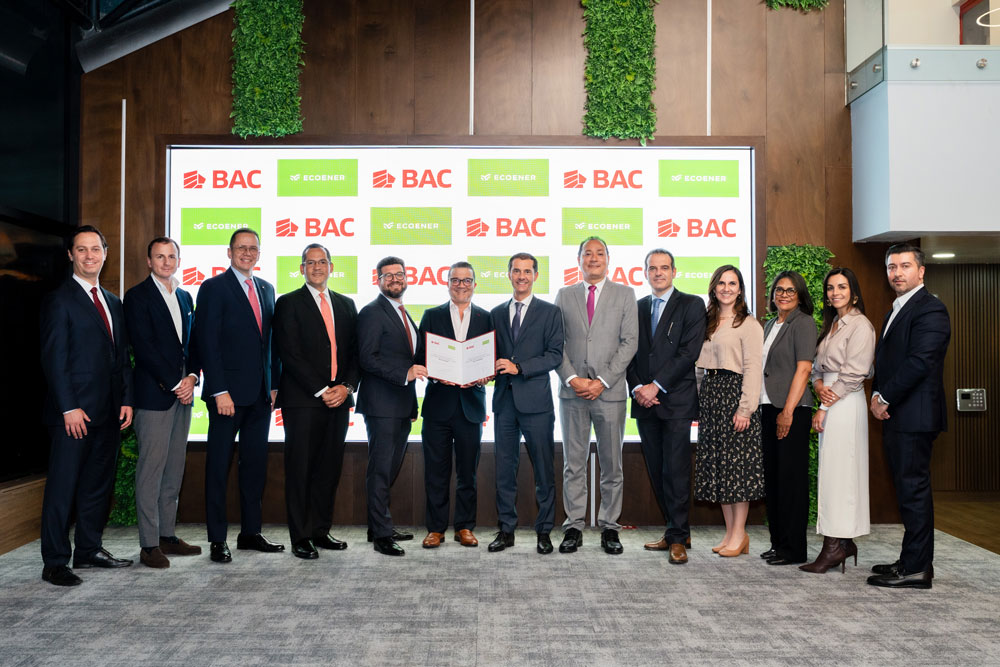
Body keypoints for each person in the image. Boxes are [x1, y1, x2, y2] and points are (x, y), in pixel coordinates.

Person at [39, 225, 134, 586]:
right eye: (81, 249)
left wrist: (127, 400)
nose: (89, 255)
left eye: (95, 249)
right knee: (62, 490)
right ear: (71, 255)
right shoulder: (59, 300)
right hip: (73, 415)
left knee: (97, 486)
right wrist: (68, 408)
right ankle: (55, 562)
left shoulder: (113, 302)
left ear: (105, 254)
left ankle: (89, 550)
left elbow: (121, 358)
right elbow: (54, 359)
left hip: (109, 413)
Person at [194, 227, 284, 563]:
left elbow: (270, 343)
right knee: (218, 468)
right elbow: (207, 342)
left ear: (259, 254)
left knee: (254, 468)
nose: (247, 253)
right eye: (241, 248)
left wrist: (274, 384)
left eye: (253, 248)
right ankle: (217, 539)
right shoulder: (213, 287)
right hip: (226, 397)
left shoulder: (266, 288)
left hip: (260, 396)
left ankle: (250, 532)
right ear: (229, 252)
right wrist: (219, 390)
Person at [867, 244, 950, 589]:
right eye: (892, 267)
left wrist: (884, 396)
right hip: (898, 415)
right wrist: (876, 393)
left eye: (905, 266)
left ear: (921, 271)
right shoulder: (896, 309)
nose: (897, 273)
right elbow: (888, 362)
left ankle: (917, 569)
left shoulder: (931, 309)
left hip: (914, 416)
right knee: (907, 492)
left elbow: (920, 362)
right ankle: (911, 560)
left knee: (914, 493)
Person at [273, 244, 359, 560]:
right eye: (310, 263)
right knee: (300, 470)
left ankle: (321, 530)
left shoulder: (347, 304)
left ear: (331, 267)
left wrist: (346, 387)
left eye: (322, 262)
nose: (317, 267)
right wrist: (322, 389)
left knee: (328, 469)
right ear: (302, 269)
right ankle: (301, 536)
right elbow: (289, 353)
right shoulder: (288, 303)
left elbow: (355, 353)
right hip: (304, 401)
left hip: (340, 400)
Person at [555, 237, 638, 555]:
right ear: (578, 259)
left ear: (608, 259)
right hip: (572, 393)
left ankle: (610, 527)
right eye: (587, 253)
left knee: (612, 464)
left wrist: (602, 381)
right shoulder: (564, 295)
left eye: (599, 253)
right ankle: (573, 526)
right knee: (573, 464)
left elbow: (629, 343)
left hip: (610, 392)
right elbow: (556, 342)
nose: (593, 258)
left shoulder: (625, 294)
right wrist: (573, 379)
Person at [124, 237, 201, 569]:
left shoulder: (185, 296)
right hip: (156, 395)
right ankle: (149, 544)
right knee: (151, 471)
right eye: (160, 256)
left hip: (184, 394)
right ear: (149, 261)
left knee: (173, 468)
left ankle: (167, 535)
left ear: (178, 261)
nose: (166, 262)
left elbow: (192, 344)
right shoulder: (137, 297)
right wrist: (174, 384)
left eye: (172, 256)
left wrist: (192, 378)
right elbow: (143, 347)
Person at [626, 249, 706, 564]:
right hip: (644, 403)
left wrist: (655, 386)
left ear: (674, 271)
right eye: (652, 268)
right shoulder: (636, 307)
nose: (658, 273)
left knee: (676, 470)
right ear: (645, 272)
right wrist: (637, 388)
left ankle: (678, 537)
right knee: (657, 470)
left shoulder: (691, 304)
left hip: (675, 401)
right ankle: (675, 530)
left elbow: (688, 353)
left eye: (664, 267)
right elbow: (628, 352)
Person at [801, 267, 876, 574]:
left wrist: (823, 407)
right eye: (830, 288)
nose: (835, 293)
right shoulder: (831, 325)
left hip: (845, 403)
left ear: (854, 293)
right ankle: (841, 543)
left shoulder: (861, 326)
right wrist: (818, 384)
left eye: (842, 287)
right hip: (830, 397)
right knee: (832, 473)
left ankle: (835, 546)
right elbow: (818, 368)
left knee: (842, 474)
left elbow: (854, 374)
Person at [488, 252, 564, 555]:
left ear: (535, 276)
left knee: (544, 471)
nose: (521, 276)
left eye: (527, 271)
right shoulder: (495, 313)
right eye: (516, 271)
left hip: (537, 403)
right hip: (504, 402)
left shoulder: (550, 312)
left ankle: (544, 531)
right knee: (504, 471)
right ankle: (506, 530)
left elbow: (555, 355)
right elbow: (488, 354)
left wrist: (520, 367)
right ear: (509, 274)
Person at [415, 261, 492, 549]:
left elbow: (492, 357)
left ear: (475, 284)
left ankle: (464, 526)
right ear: (447, 283)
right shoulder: (431, 315)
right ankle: (435, 529)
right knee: (435, 471)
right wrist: (435, 372)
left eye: (466, 280)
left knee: (468, 473)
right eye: (455, 280)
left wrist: (487, 374)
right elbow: (421, 356)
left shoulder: (486, 317)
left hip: (471, 407)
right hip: (438, 405)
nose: (461, 285)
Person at [356, 256, 426, 556]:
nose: (395, 279)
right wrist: (404, 374)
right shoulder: (372, 312)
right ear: (378, 280)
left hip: (400, 405)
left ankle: (378, 525)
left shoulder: (403, 313)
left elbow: (410, 357)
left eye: (400, 274)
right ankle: (382, 535)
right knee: (381, 470)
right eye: (388, 275)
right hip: (381, 405)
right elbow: (367, 357)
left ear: (407, 277)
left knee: (389, 468)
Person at [694, 265, 764, 558]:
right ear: (713, 287)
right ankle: (730, 533)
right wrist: (699, 402)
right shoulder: (706, 322)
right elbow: (699, 367)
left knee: (738, 471)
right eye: (721, 283)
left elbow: (753, 368)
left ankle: (739, 533)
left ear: (740, 289)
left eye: (732, 283)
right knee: (720, 470)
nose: (726, 288)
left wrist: (745, 409)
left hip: (736, 398)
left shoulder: (748, 324)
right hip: (712, 399)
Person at [759, 271, 817, 566]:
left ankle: (794, 549)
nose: (783, 294)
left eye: (790, 290)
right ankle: (778, 543)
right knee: (775, 480)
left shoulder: (803, 323)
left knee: (791, 482)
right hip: (768, 408)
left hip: (791, 410)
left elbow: (804, 369)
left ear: (800, 294)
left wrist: (788, 412)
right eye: (779, 290)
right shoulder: (770, 324)